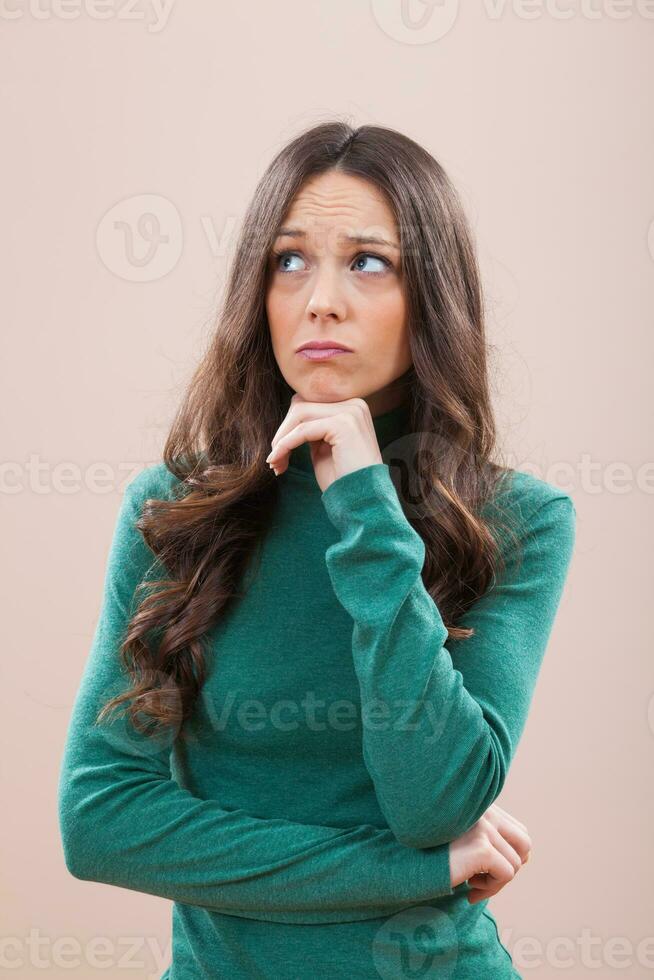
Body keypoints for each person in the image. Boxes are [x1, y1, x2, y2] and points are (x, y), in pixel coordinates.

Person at [57, 121, 576, 979]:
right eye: (289, 260)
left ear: (432, 297)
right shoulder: (175, 511)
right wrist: (418, 871)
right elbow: (102, 821)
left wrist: (364, 503)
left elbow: (435, 800)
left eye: (369, 262)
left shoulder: (517, 521)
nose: (318, 300)